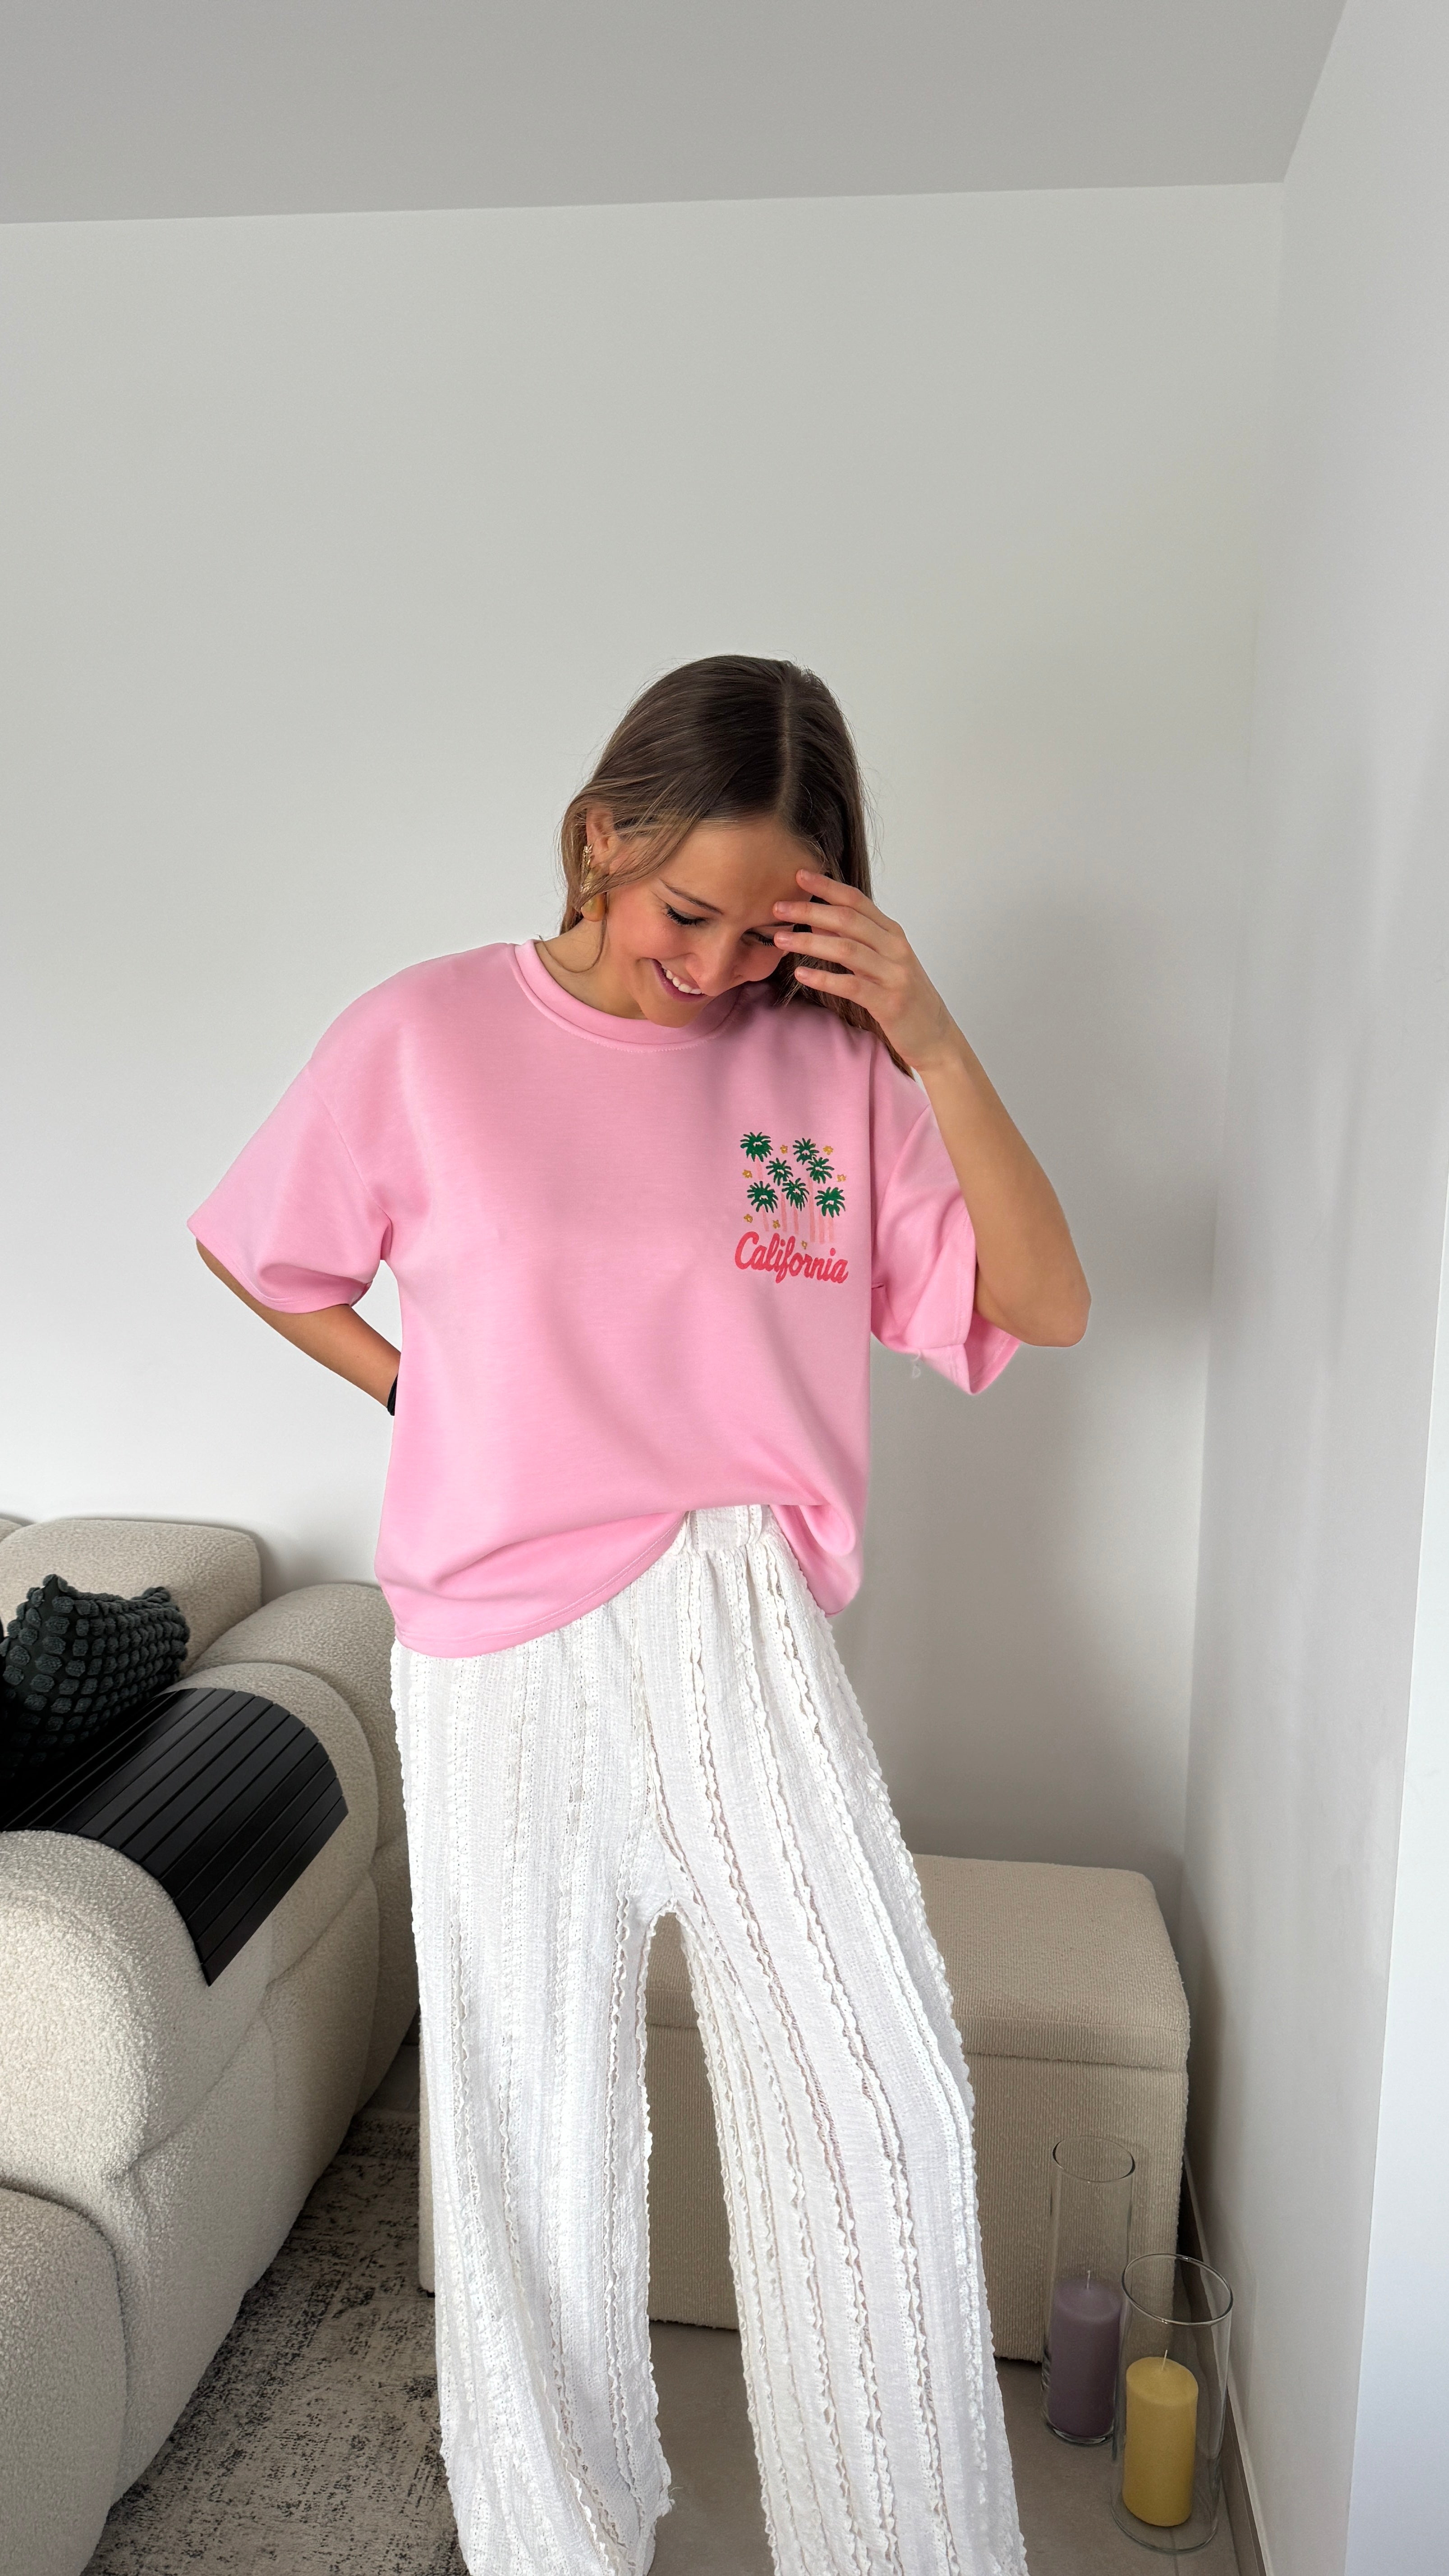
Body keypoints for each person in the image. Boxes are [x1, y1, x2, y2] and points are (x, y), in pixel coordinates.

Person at [189, 654, 1088, 2576]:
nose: (715, 966)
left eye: (768, 932)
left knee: (885, 2102)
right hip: (496, 1641)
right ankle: (558, 2542)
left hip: (737, 1620)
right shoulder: (423, 1037)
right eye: (690, 911)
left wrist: (930, 1040)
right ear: (603, 838)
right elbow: (264, 1246)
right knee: (534, 2137)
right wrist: (427, 1397)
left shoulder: (826, 1066)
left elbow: (1045, 1300)